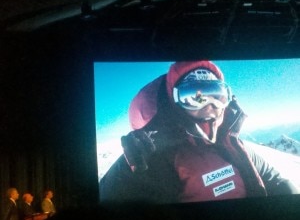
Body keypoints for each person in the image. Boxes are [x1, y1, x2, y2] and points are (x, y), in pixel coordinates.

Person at [100, 60, 299, 203]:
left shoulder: (231, 143)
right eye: (195, 97)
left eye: (217, 95)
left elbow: (272, 178)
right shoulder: (151, 159)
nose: (210, 105)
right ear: (173, 104)